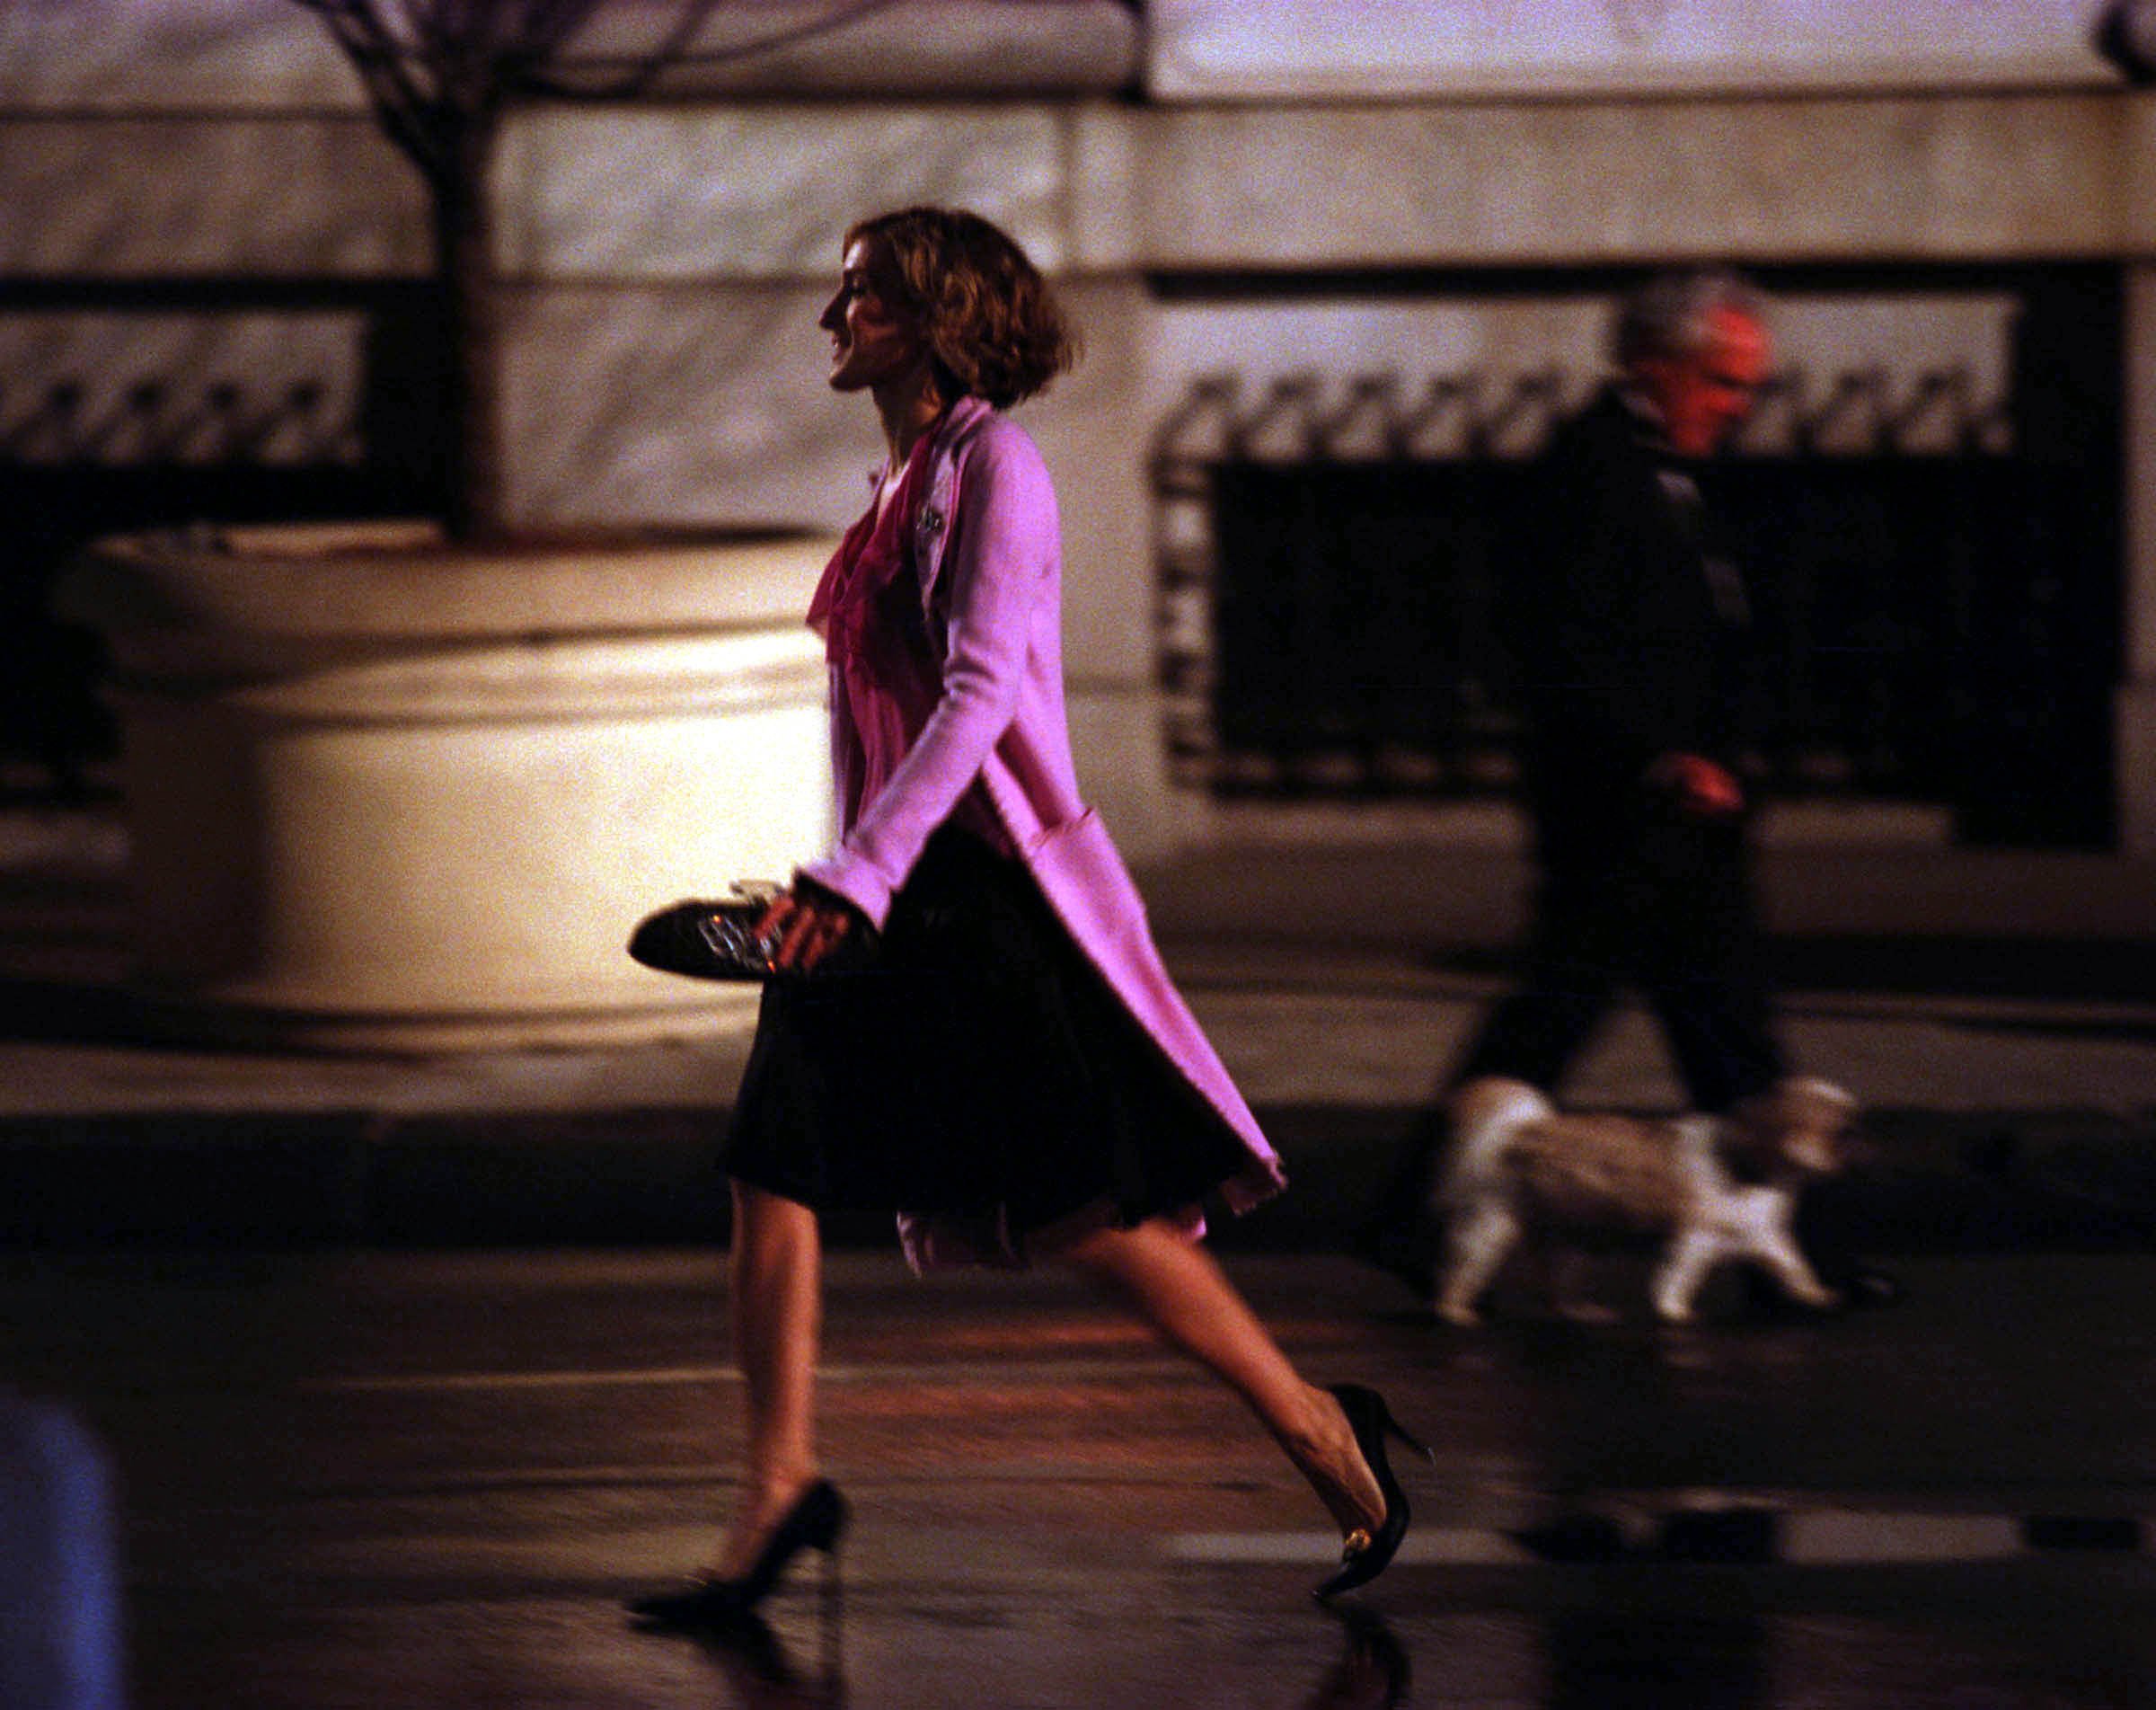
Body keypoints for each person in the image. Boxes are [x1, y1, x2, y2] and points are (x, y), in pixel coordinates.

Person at [628, 207, 1421, 1628]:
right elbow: (874, 723)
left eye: (862, 295)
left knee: (1081, 1217)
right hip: (883, 892)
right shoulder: (893, 492)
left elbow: (982, 691)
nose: (832, 317)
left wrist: (858, 879)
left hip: (980, 900)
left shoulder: (1001, 467)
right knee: (773, 1156)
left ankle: (1318, 1426)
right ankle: (778, 1483)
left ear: (938, 320)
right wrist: (826, 874)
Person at [1362, 267, 1890, 1310]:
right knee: (1555, 1025)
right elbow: (1563, 647)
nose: (1737, 406)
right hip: (1622, 813)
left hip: (1686, 818)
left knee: (1728, 1036)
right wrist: (1658, 754)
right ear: (1656, 364)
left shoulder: (1676, 473)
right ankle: (1414, 1222)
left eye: (1749, 388)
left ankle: (1797, 1259)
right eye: (1722, 382)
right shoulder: (1588, 468)